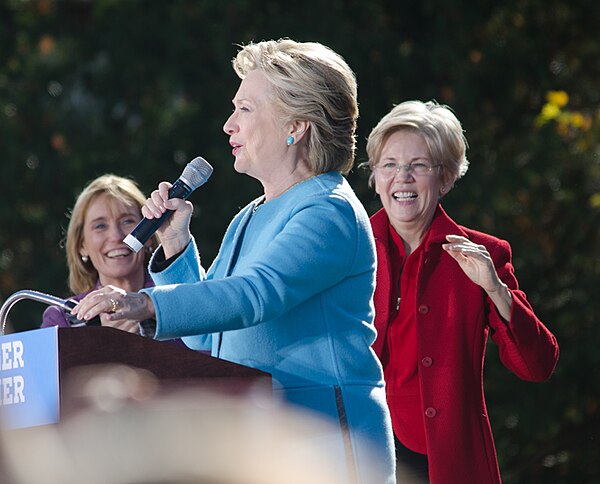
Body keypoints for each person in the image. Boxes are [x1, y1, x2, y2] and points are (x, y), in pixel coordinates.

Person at [72, 39, 396, 483]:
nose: (228, 125)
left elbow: (254, 295)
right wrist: (177, 244)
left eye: (244, 109)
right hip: (267, 441)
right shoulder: (252, 213)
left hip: (325, 444)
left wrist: (147, 303)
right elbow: (209, 339)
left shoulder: (327, 211)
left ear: (295, 125)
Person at [362, 100, 560, 483]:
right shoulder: (349, 249)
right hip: (360, 449)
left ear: (447, 178)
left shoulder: (485, 254)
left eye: (419, 165)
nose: (402, 178)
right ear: (375, 176)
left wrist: (495, 288)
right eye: (389, 165)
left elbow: (538, 365)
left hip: (448, 460)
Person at [42, 174, 157, 331]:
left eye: (127, 221)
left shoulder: (181, 302)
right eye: (100, 226)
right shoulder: (63, 320)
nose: (116, 236)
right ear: (82, 245)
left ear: (149, 235)